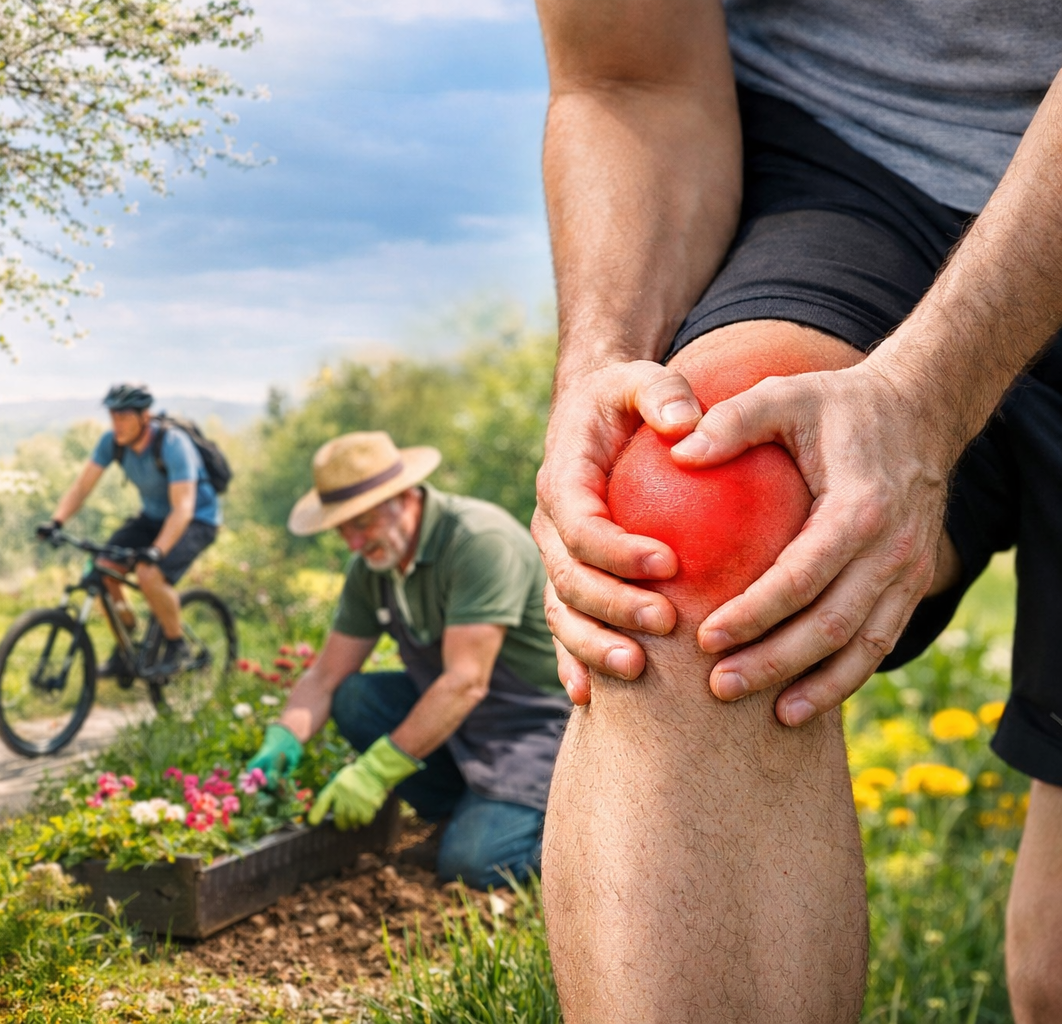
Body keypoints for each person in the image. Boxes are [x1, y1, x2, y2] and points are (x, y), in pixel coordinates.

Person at [531, 0, 1062, 1020]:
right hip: (854, 157)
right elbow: (630, 80)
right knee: (693, 505)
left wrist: (926, 392)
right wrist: (602, 365)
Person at [246, 431, 569, 890]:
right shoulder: (373, 568)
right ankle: (463, 810)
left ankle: (570, 827)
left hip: (534, 726)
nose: (353, 543)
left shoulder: (478, 541)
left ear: (403, 496)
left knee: (474, 865)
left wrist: (375, 771)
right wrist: (282, 738)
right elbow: (326, 676)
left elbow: (465, 682)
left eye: (362, 523)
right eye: (342, 529)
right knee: (355, 698)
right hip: (461, 723)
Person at [40, 383, 221, 677]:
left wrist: (157, 551)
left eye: (124, 417)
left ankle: (177, 645)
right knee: (103, 570)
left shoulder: (173, 444)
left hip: (196, 520)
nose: (117, 424)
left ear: (144, 416)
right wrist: (56, 521)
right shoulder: (112, 443)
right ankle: (127, 648)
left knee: (149, 573)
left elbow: (183, 508)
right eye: (113, 416)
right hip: (153, 517)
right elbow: (82, 487)